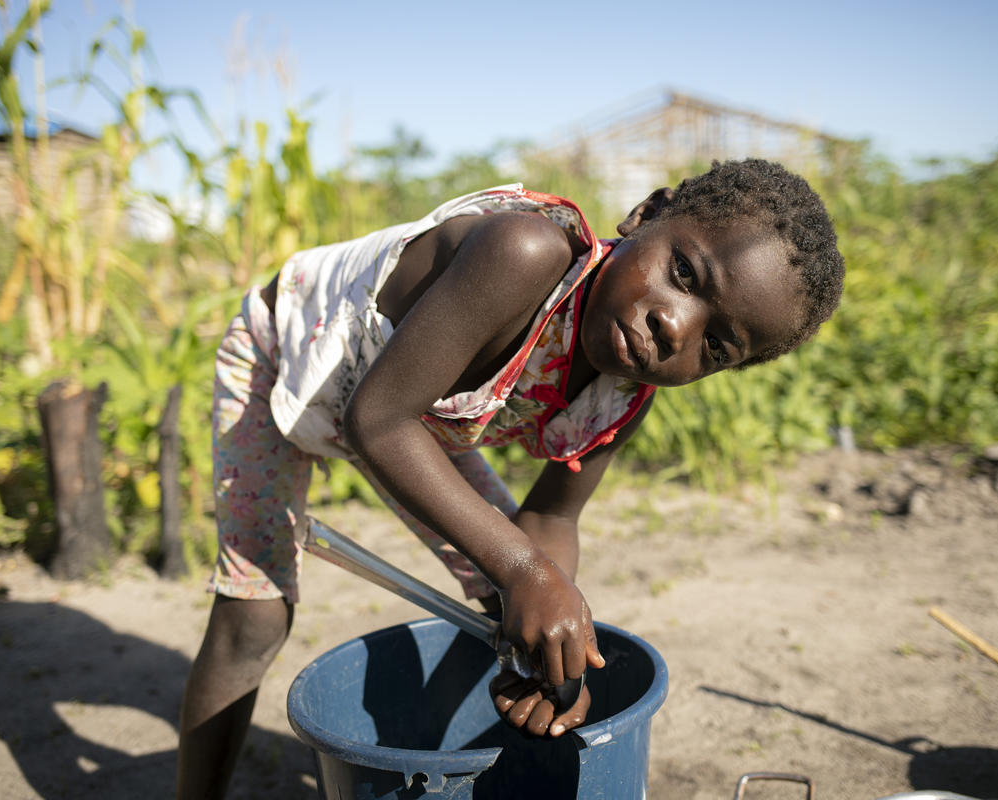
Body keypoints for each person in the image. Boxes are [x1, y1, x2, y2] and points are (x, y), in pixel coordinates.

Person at [175, 158, 845, 798]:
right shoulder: (525, 252)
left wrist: (547, 663)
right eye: (685, 273)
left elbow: (551, 520)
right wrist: (527, 573)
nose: (675, 325)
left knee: (523, 608)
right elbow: (378, 421)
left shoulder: (619, 397)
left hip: (408, 412)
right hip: (285, 357)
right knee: (254, 618)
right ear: (646, 213)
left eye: (716, 344)